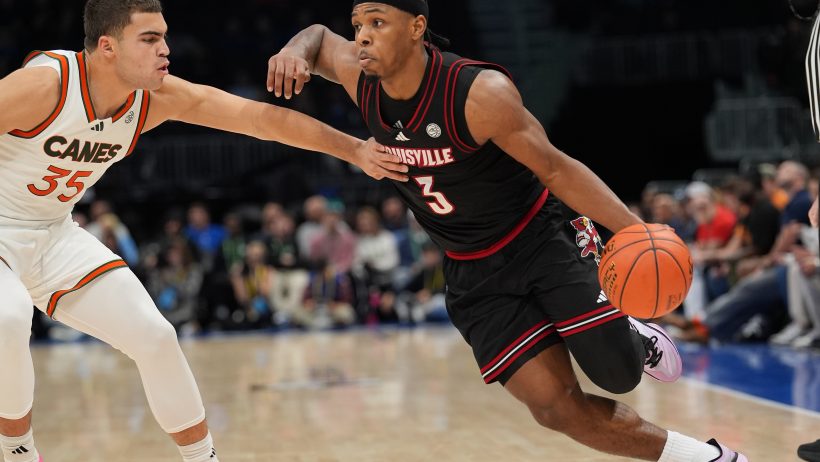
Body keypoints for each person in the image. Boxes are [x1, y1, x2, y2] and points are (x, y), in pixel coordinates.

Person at [266, 1, 745, 460]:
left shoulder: (478, 93)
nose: (362, 35)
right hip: (472, 270)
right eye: (357, 23)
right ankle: (704, 458)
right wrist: (294, 51)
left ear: (416, 27)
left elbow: (557, 169)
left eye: (377, 21)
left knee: (619, 376)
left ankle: (632, 336)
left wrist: (636, 231)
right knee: (555, 409)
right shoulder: (357, 70)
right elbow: (318, 39)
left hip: (540, 236)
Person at [0, 1, 409, 461]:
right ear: (108, 47)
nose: (166, 50)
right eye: (150, 39)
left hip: (54, 232)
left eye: (164, 36)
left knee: (156, 337)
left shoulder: (155, 97)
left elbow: (258, 120)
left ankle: (203, 458)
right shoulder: (46, 83)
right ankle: (16, 451)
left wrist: (355, 150)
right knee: (9, 318)